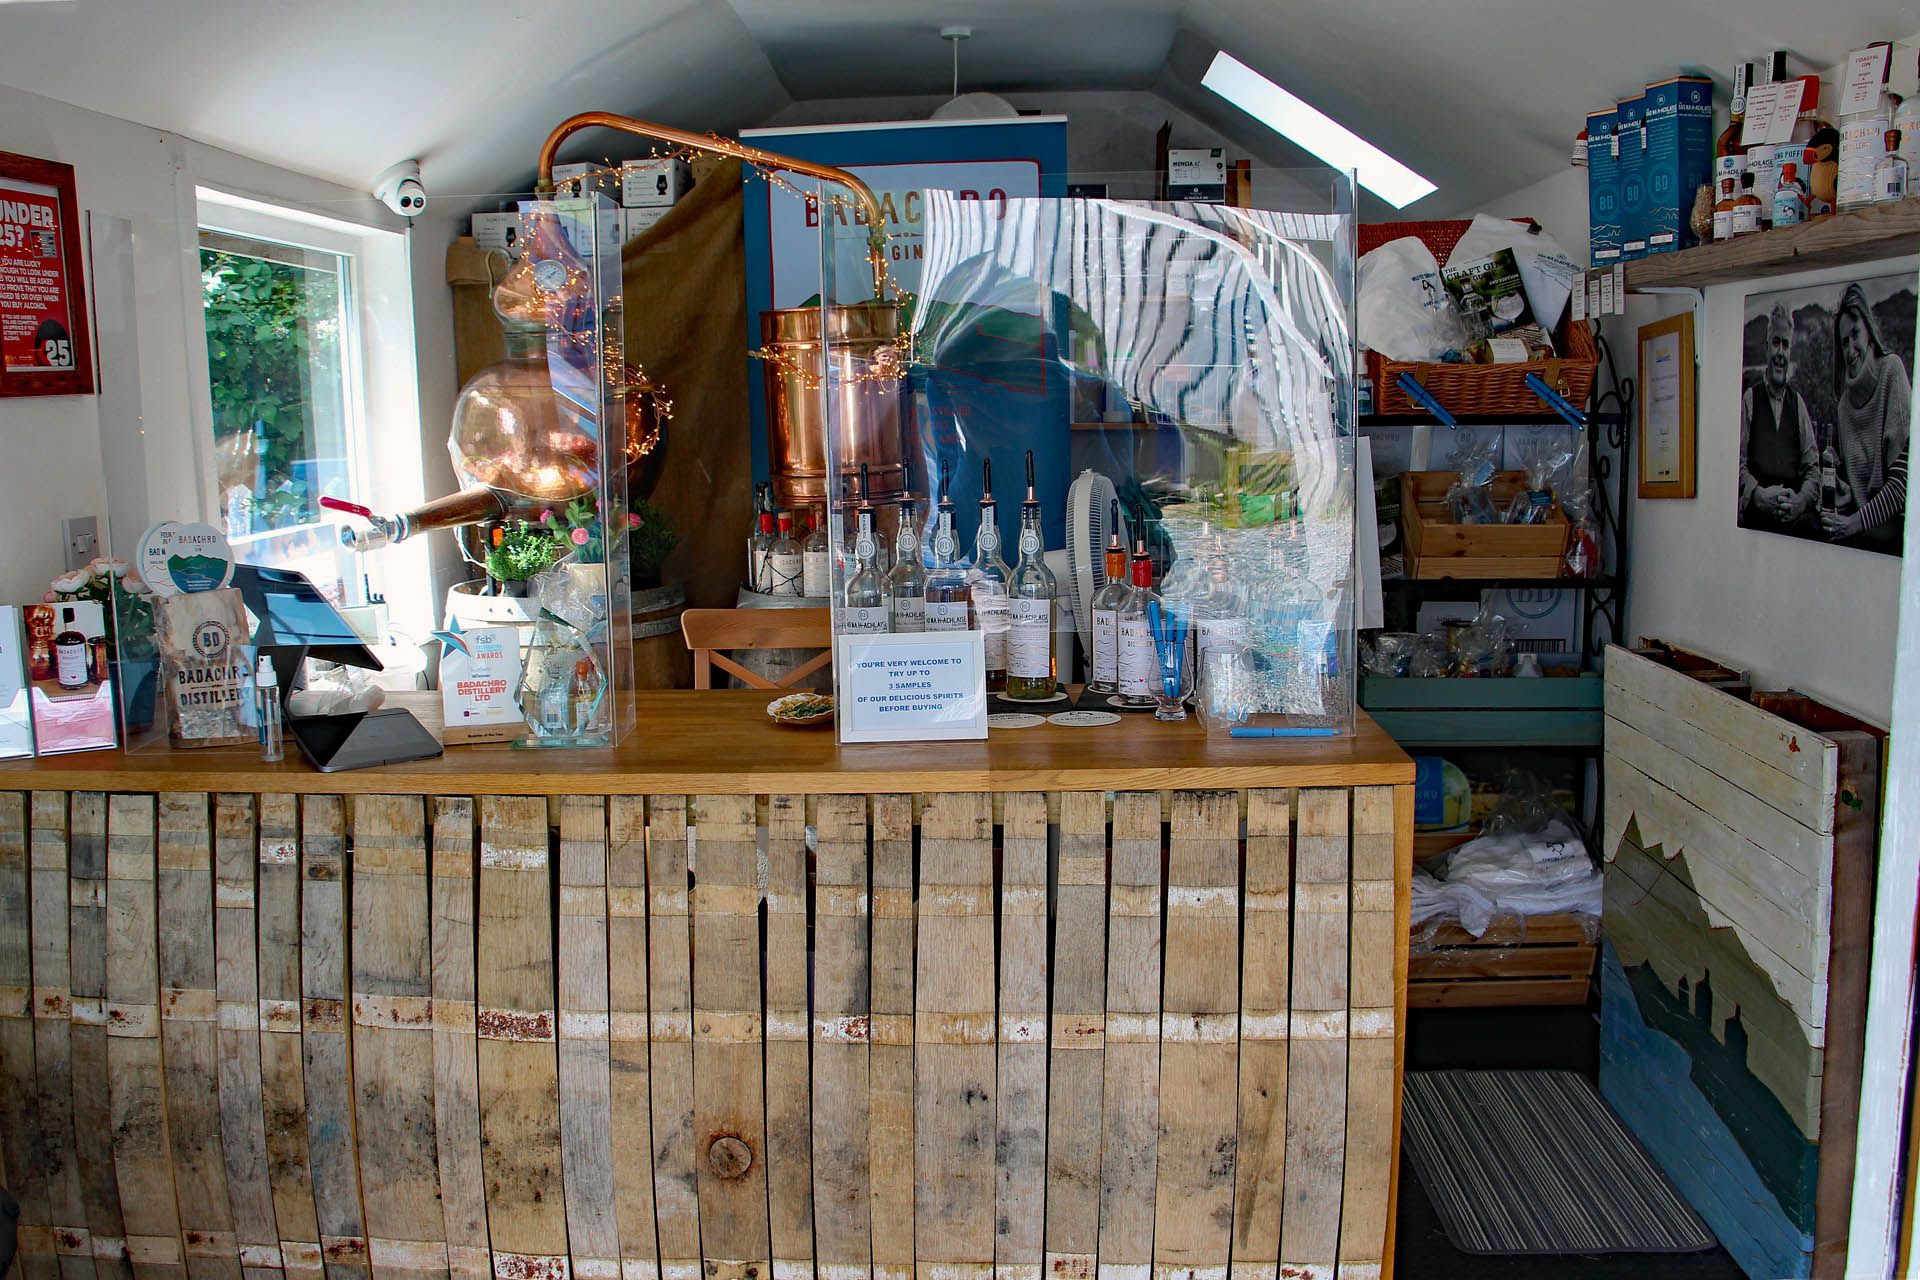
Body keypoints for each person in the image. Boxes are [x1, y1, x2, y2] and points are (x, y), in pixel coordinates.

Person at [1821, 282, 1912, 552]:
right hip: (1865, 537)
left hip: (1897, 538)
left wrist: (1851, 524)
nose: (1850, 350)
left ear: (1869, 332)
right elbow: (1860, 494)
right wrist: (1845, 494)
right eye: (1844, 342)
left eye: (1855, 335)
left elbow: (1902, 485)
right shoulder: (1844, 408)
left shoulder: (1892, 372)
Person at [1738, 304, 1819, 535]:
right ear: (1766, 348)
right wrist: (1756, 494)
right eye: (1776, 343)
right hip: (1757, 524)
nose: (1781, 353)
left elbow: (1813, 468)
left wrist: (1801, 501)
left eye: (1786, 344)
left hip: (1792, 524)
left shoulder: (1799, 404)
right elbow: (1737, 464)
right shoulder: (1749, 400)